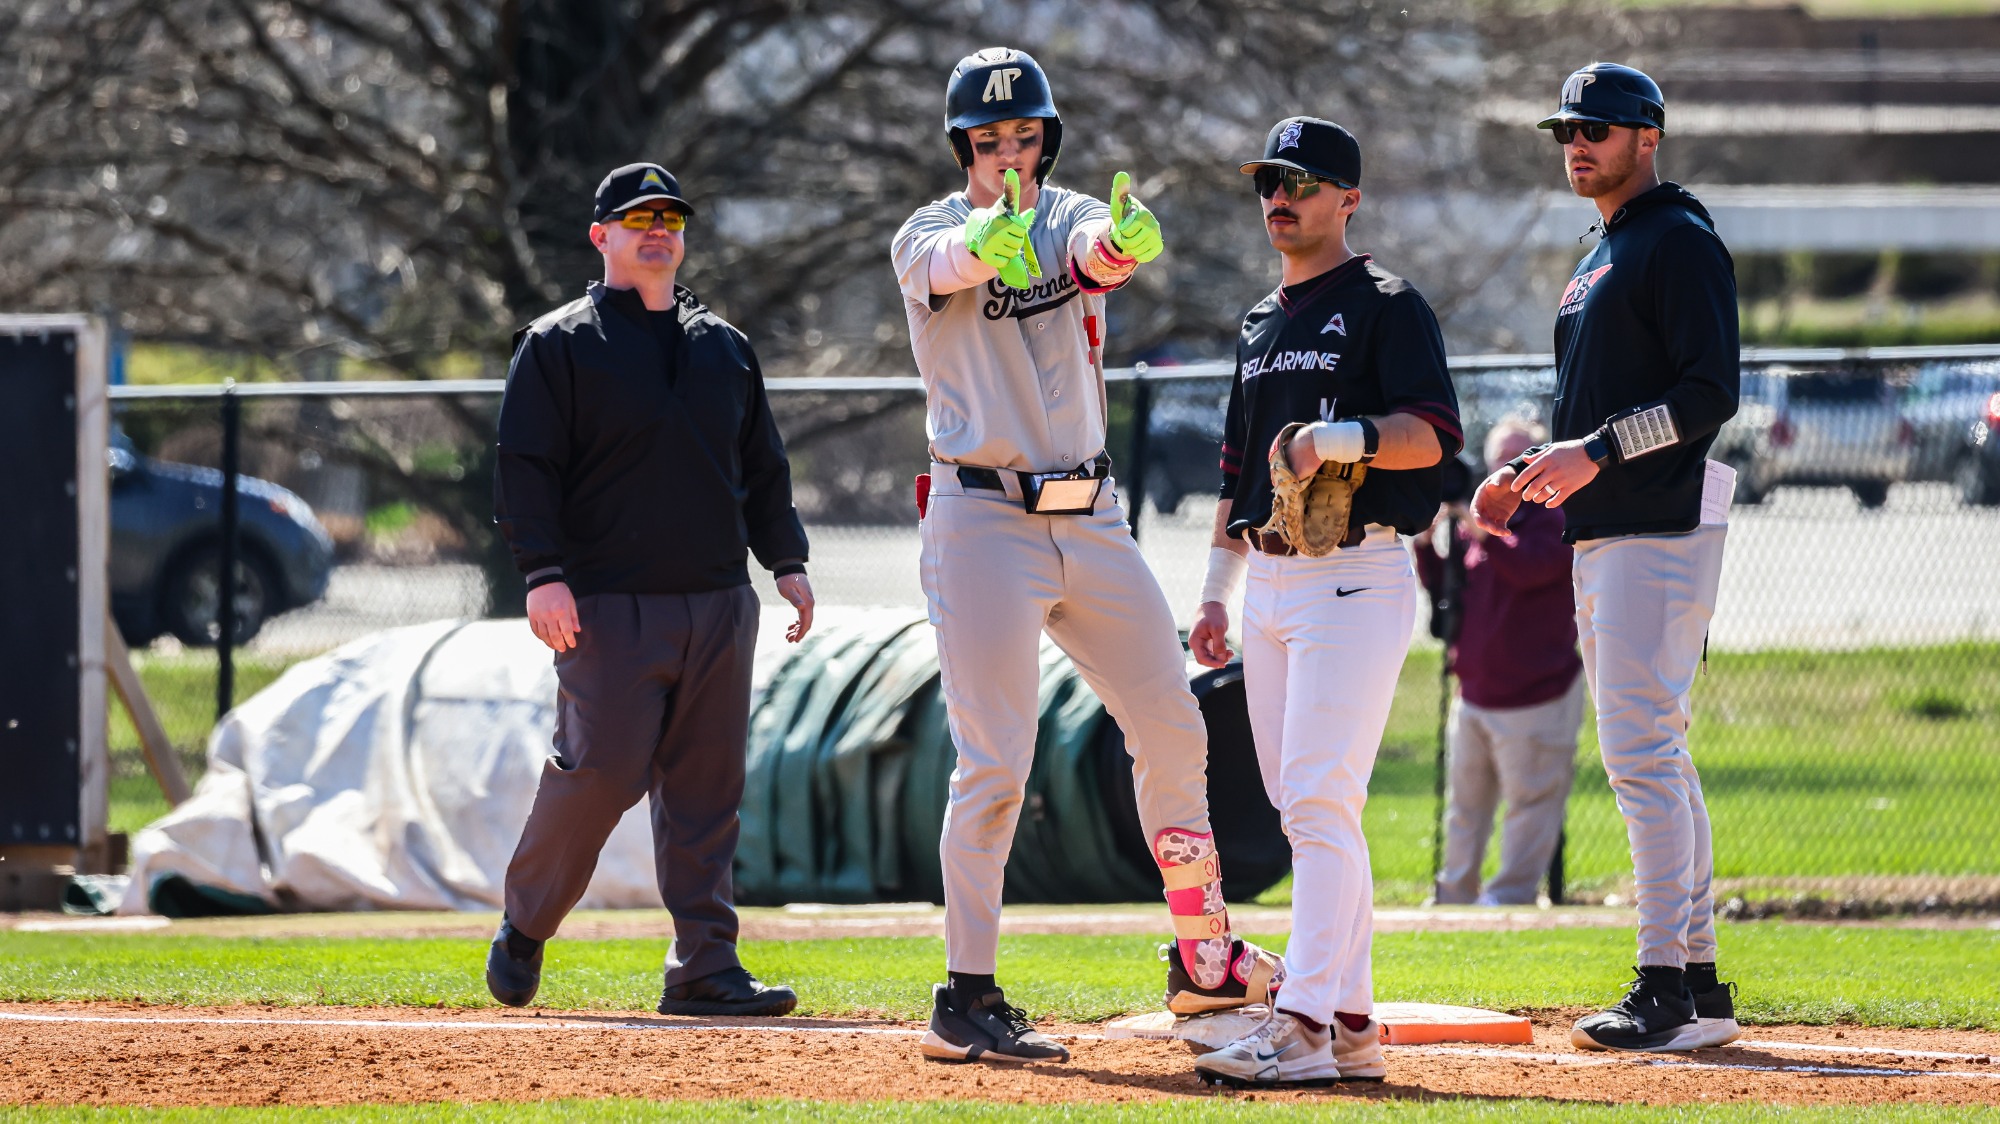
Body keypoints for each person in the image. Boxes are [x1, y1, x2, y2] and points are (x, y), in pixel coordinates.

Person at [890, 48, 1283, 1065]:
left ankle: (1203, 954)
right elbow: (950, 263)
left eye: (1024, 136)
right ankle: (965, 995)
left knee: (1174, 724)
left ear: (1046, 140)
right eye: (988, 140)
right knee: (995, 765)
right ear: (962, 147)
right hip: (983, 518)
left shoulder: (1064, 212)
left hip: (1091, 515)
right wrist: (982, 239)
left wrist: (1117, 241)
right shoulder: (927, 231)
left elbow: (1095, 252)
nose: (1007, 153)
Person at [485, 162, 815, 1019]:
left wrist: (786, 561)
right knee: (600, 774)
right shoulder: (557, 344)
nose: (659, 230)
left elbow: (762, 467)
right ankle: (526, 924)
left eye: (671, 217)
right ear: (601, 236)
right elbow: (524, 469)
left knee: (708, 792)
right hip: (606, 605)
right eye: (640, 219)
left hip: (718, 602)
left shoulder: (724, 346)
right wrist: (542, 575)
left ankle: (705, 966)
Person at [1472, 62, 1742, 1053]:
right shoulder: (1606, 249)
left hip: (1656, 527)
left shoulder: (1676, 238)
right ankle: (1698, 983)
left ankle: (1661, 983)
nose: (1576, 144)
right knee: (1657, 752)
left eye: (1596, 128)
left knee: (1640, 757)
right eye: (1566, 130)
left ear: (1646, 137)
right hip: (1612, 529)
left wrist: (1594, 450)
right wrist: (1531, 471)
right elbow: (1596, 410)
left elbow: (1710, 393)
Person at [1188, 116, 1462, 1087]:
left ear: (1348, 199)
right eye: (1268, 180)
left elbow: (1433, 439)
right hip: (1268, 579)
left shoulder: (1387, 304)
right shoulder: (1258, 323)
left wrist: (1339, 439)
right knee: (1307, 805)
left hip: (1355, 572)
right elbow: (1237, 474)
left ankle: (1300, 1022)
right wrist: (1214, 593)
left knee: (1314, 800)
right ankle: (1349, 1022)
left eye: (1300, 182)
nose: (1279, 196)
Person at [1417, 419, 1583, 907]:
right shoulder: (1479, 524)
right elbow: (1448, 593)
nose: (1507, 472)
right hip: (1475, 694)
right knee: (1464, 808)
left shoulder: (1556, 517)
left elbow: (1533, 568)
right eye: (1498, 462)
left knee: (1530, 806)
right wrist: (1425, 545)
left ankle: (1510, 899)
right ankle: (1454, 896)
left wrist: (1484, 534)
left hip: (1536, 694)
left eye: (1519, 459)